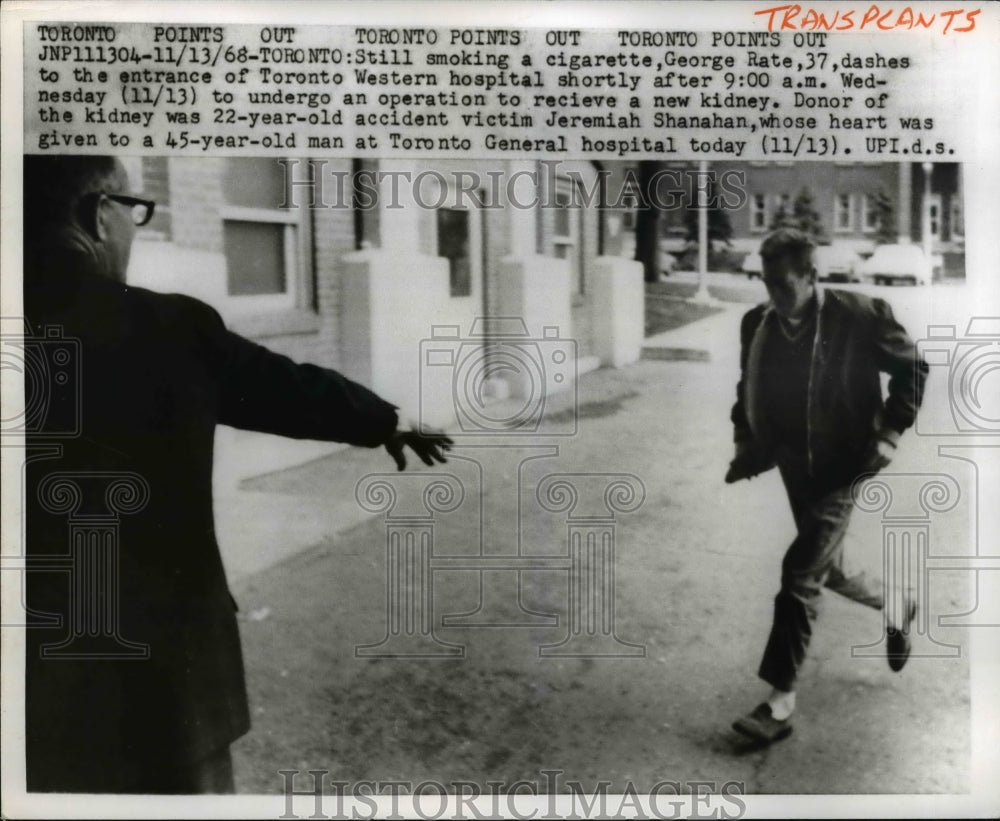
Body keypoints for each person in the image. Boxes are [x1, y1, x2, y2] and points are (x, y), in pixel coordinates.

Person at [21, 155, 453, 793]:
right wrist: (385, 420)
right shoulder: (166, 328)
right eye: (135, 210)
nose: (137, 230)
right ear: (97, 215)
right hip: (166, 674)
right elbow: (282, 387)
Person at [725, 227, 928, 744]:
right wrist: (747, 443)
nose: (773, 295)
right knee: (827, 567)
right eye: (767, 283)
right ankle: (896, 601)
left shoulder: (858, 316)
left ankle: (779, 703)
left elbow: (914, 368)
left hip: (845, 465)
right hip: (796, 463)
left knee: (799, 573)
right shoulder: (759, 324)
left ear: (812, 276)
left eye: (783, 284)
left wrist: (888, 431)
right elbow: (747, 387)